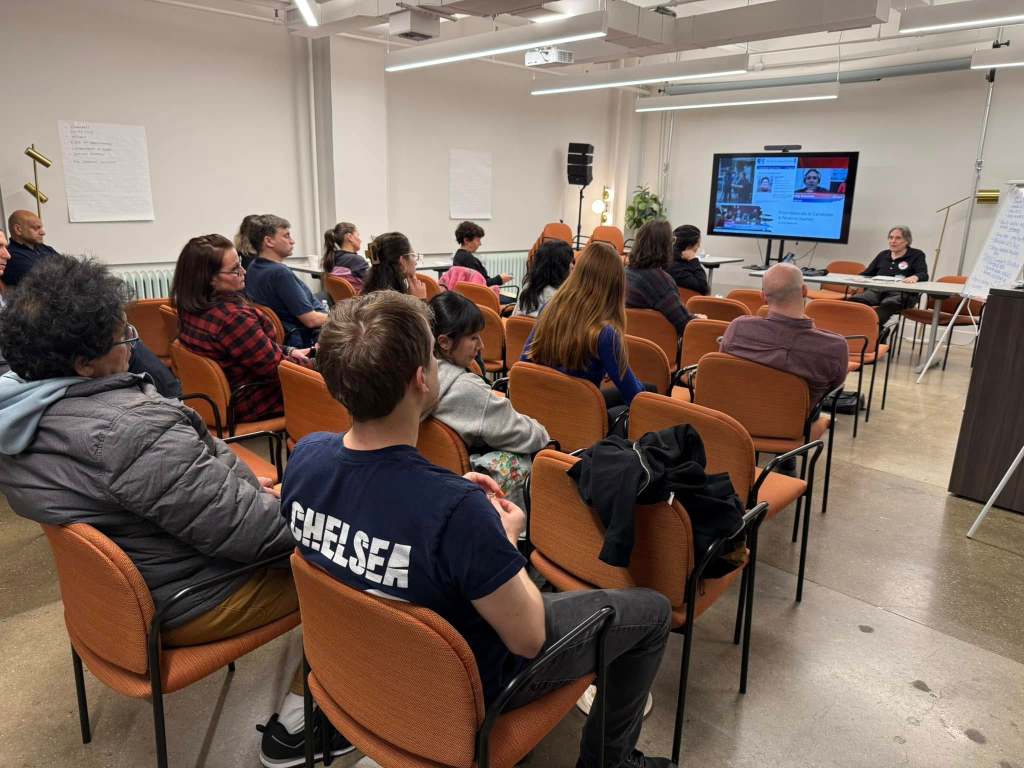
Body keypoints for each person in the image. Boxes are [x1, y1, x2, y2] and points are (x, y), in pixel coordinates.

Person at [284, 289, 675, 768]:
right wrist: (504, 540)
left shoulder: (306, 458)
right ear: (421, 379)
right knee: (652, 611)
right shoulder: (457, 513)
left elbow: (373, 507)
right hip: (461, 686)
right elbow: (528, 639)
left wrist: (446, 493)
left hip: (361, 671)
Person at [0, 254, 348, 768]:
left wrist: (237, 493)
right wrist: (322, 519)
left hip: (116, 600)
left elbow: (178, 498)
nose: (131, 345)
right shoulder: (130, 430)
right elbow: (256, 535)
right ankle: (302, 726)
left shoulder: (19, 419)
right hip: (190, 597)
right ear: (83, 363)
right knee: (356, 570)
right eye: (123, 337)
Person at [172, 234, 312, 423]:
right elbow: (278, 370)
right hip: (254, 401)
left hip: (217, 402)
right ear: (209, 279)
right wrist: (324, 361)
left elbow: (254, 349)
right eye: (234, 270)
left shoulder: (191, 309)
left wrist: (290, 351)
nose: (244, 271)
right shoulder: (233, 319)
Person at [428, 291, 549, 507]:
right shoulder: (467, 389)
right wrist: (542, 433)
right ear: (444, 342)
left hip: (436, 484)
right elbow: (529, 435)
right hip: (471, 491)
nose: (481, 346)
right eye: (473, 337)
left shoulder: (415, 379)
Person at [523, 241, 644, 408]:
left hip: (543, 406)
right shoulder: (605, 333)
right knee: (647, 394)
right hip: (581, 415)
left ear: (577, 272)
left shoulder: (549, 310)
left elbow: (524, 363)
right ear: (616, 283)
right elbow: (633, 395)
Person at [721, 263, 849, 407]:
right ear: (805, 291)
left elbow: (724, 367)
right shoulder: (834, 347)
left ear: (763, 296)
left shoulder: (739, 327)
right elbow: (832, 387)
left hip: (737, 415)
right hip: (797, 419)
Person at [244, 214, 327, 348]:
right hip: (306, 339)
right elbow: (311, 320)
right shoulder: (280, 273)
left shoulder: (253, 266)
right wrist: (340, 318)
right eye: (286, 236)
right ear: (269, 241)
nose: (292, 241)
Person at [626, 220, 698, 335]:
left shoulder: (625, 273)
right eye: (672, 241)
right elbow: (684, 324)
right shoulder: (660, 281)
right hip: (658, 342)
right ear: (665, 246)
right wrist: (699, 320)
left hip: (628, 341)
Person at [849, 225, 929, 326]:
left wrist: (915, 277)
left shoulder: (916, 255)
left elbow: (923, 274)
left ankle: (877, 333)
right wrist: (855, 281)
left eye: (898, 238)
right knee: (852, 303)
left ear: (907, 241)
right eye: (891, 238)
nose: (893, 241)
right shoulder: (883, 254)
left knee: (882, 310)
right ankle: (852, 331)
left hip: (900, 294)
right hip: (875, 291)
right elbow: (867, 273)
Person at [453, 221, 514, 304]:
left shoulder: (458, 256)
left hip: (469, 298)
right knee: (513, 300)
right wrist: (500, 279)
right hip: (478, 298)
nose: (480, 244)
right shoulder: (468, 259)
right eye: (478, 240)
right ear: (466, 240)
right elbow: (481, 285)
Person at [514, 239, 573, 317]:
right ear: (560, 267)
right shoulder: (559, 296)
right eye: (571, 262)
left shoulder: (528, 286)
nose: (572, 266)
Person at [362, 231, 428, 299]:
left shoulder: (368, 292)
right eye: (413, 255)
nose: (415, 262)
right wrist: (419, 300)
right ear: (402, 262)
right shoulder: (395, 301)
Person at [4, 210, 61, 287]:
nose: (43, 233)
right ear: (18, 229)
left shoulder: (46, 248)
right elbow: (44, 282)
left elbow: (69, 268)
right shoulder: (11, 255)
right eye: (36, 228)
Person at [322, 221, 369, 293]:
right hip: (361, 299)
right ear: (349, 237)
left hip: (341, 299)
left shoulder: (332, 257)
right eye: (358, 236)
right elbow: (372, 284)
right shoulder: (357, 260)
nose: (360, 240)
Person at [667, 225, 709, 296]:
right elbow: (703, 288)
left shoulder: (668, 258)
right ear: (689, 246)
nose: (699, 246)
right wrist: (694, 260)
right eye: (698, 243)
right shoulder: (677, 267)